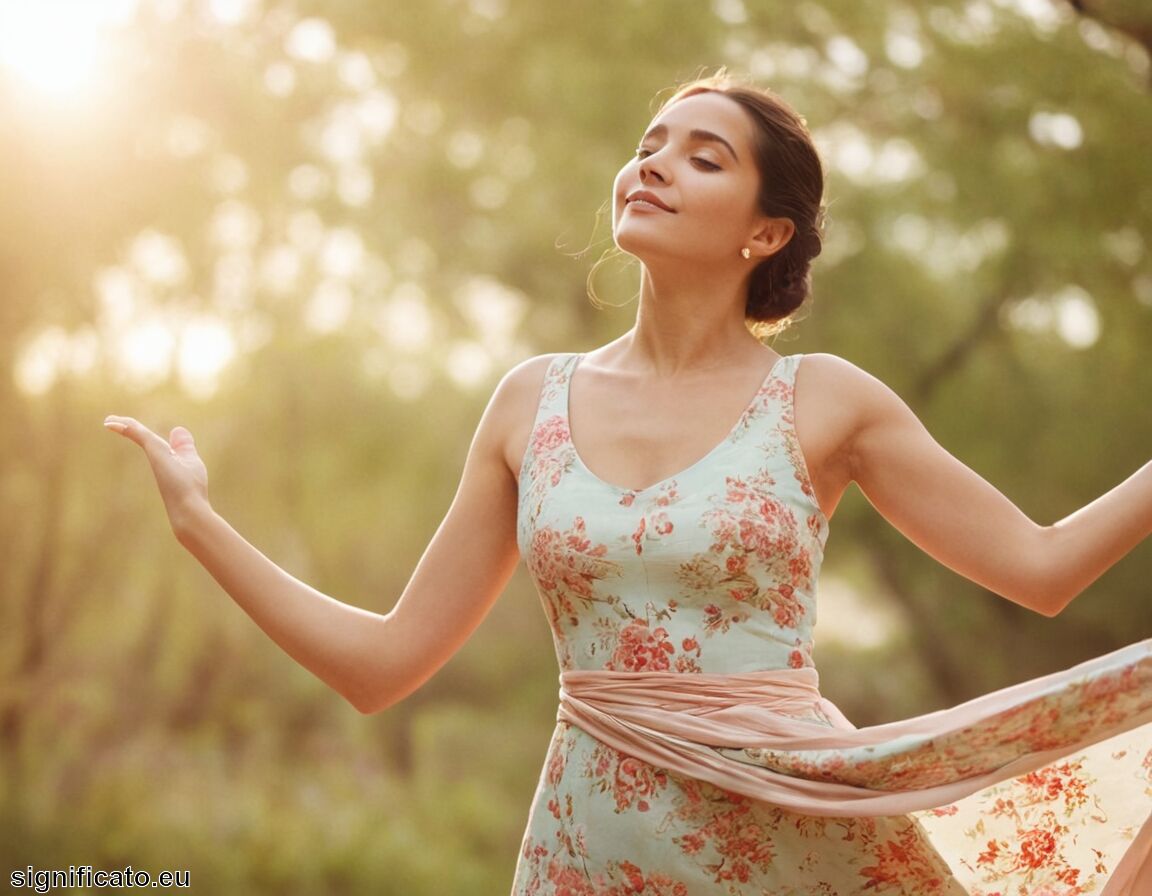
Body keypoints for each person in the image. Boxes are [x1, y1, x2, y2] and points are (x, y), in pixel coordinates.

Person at [105, 74, 1150, 894]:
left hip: (795, 831)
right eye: (648, 146)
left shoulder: (824, 401)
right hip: (591, 846)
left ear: (766, 231)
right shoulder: (530, 402)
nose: (651, 165)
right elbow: (382, 665)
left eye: (702, 157)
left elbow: (1043, 567)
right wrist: (200, 522)